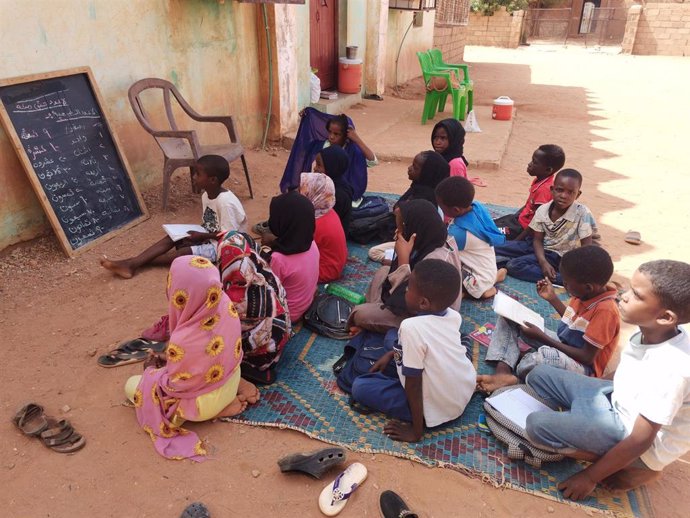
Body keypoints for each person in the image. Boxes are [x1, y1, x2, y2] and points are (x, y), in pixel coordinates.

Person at [524, 260, 690, 500]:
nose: (623, 296)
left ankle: (636, 468)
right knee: (538, 374)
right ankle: (585, 425)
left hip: (633, 436)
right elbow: (625, 372)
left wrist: (590, 477)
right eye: (630, 289)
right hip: (613, 399)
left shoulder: (673, 369)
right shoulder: (648, 329)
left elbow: (641, 439)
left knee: (536, 426)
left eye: (637, 295)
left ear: (665, 317)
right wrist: (591, 392)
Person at [124, 255, 259, 461]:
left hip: (205, 403)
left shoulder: (183, 339)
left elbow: (175, 387)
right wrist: (168, 360)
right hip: (231, 374)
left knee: (134, 386)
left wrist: (151, 371)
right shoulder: (224, 304)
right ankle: (235, 386)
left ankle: (216, 411)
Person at [350, 259, 476, 442]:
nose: (406, 291)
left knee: (360, 387)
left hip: (439, 408)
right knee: (392, 340)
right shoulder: (452, 315)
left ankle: (423, 418)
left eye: (409, 288)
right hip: (464, 389)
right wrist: (392, 354)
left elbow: (413, 384)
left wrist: (415, 432)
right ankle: (398, 356)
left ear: (423, 303)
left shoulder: (411, 328)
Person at [477, 246, 620, 393]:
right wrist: (553, 298)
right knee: (508, 318)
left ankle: (519, 376)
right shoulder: (584, 294)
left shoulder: (606, 311)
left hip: (583, 368)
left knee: (541, 358)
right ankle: (503, 373)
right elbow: (575, 321)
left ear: (588, 287)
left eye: (566, 283)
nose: (564, 285)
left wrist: (542, 337)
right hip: (565, 345)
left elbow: (587, 357)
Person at [100, 155, 247, 278]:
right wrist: (196, 235)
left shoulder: (226, 203)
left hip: (226, 247)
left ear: (213, 180)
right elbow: (210, 224)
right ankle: (131, 264)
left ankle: (132, 263)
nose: (193, 177)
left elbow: (229, 236)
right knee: (172, 237)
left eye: (198, 174)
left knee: (182, 253)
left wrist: (200, 237)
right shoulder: (206, 196)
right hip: (210, 237)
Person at [348, 199, 462, 334]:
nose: (397, 232)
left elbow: (410, 302)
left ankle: (373, 324)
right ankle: (377, 317)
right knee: (383, 271)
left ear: (414, 230)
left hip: (427, 318)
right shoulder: (435, 237)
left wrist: (403, 260)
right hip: (417, 296)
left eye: (402, 228)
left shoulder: (434, 261)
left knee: (359, 314)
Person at [493, 169, 596, 284]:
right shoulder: (543, 210)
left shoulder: (583, 213)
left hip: (559, 256)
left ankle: (563, 279)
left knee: (514, 266)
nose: (563, 196)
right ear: (552, 190)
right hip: (537, 247)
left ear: (578, 194)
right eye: (559, 190)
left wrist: (571, 268)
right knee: (494, 246)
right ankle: (532, 263)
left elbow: (586, 247)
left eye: (570, 192)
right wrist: (543, 262)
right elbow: (537, 240)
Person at [217, 231, 291, 385]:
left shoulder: (237, 300)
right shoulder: (263, 273)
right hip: (280, 337)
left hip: (263, 357)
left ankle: (250, 370)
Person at [279, 109, 378, 202]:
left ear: (345, 135)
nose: (331, 136)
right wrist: (308, 117)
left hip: (345, 194)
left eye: (336, 134)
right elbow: (305, 147)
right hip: (323, 187)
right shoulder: (325, 145)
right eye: (329, 132)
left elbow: (373, 161)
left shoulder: (353, 150)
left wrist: (357, 139)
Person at [435, 176, 506, 299]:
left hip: (478, 277)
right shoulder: (476, 206)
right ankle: (495, 276)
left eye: (441, 207)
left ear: (456, 210)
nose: (440, 209)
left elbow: (442, 250)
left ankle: (484, 290)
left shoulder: (459, 234)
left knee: (441, 269)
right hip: (485, 267)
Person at [262, 190, 319, 323]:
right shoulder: (311, 243)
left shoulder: (278, 259)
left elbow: (270, 292)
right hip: (307, 301)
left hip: (289, 314)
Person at [493, 144, 566, 241]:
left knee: (491, 233)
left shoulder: (544, 190)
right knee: (491, 224)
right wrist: (515, 217)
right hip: (518, 220)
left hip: (522, 229)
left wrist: (517, 241)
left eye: (534, 162)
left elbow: (537, 221)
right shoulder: (539, 180)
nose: (529, 164)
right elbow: (529, 205)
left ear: (548, 170)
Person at [299, 172, 347, 283]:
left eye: (301, 190)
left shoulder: (314, 223)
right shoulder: (327, 211)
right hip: (335, 262)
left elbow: (298, 248)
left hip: (326, 271)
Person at [313, 145, 353, 233]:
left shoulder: (337, 195)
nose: (315, 168)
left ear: (331, 167)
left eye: (319, 165)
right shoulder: (330, 184)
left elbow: (323, 222)